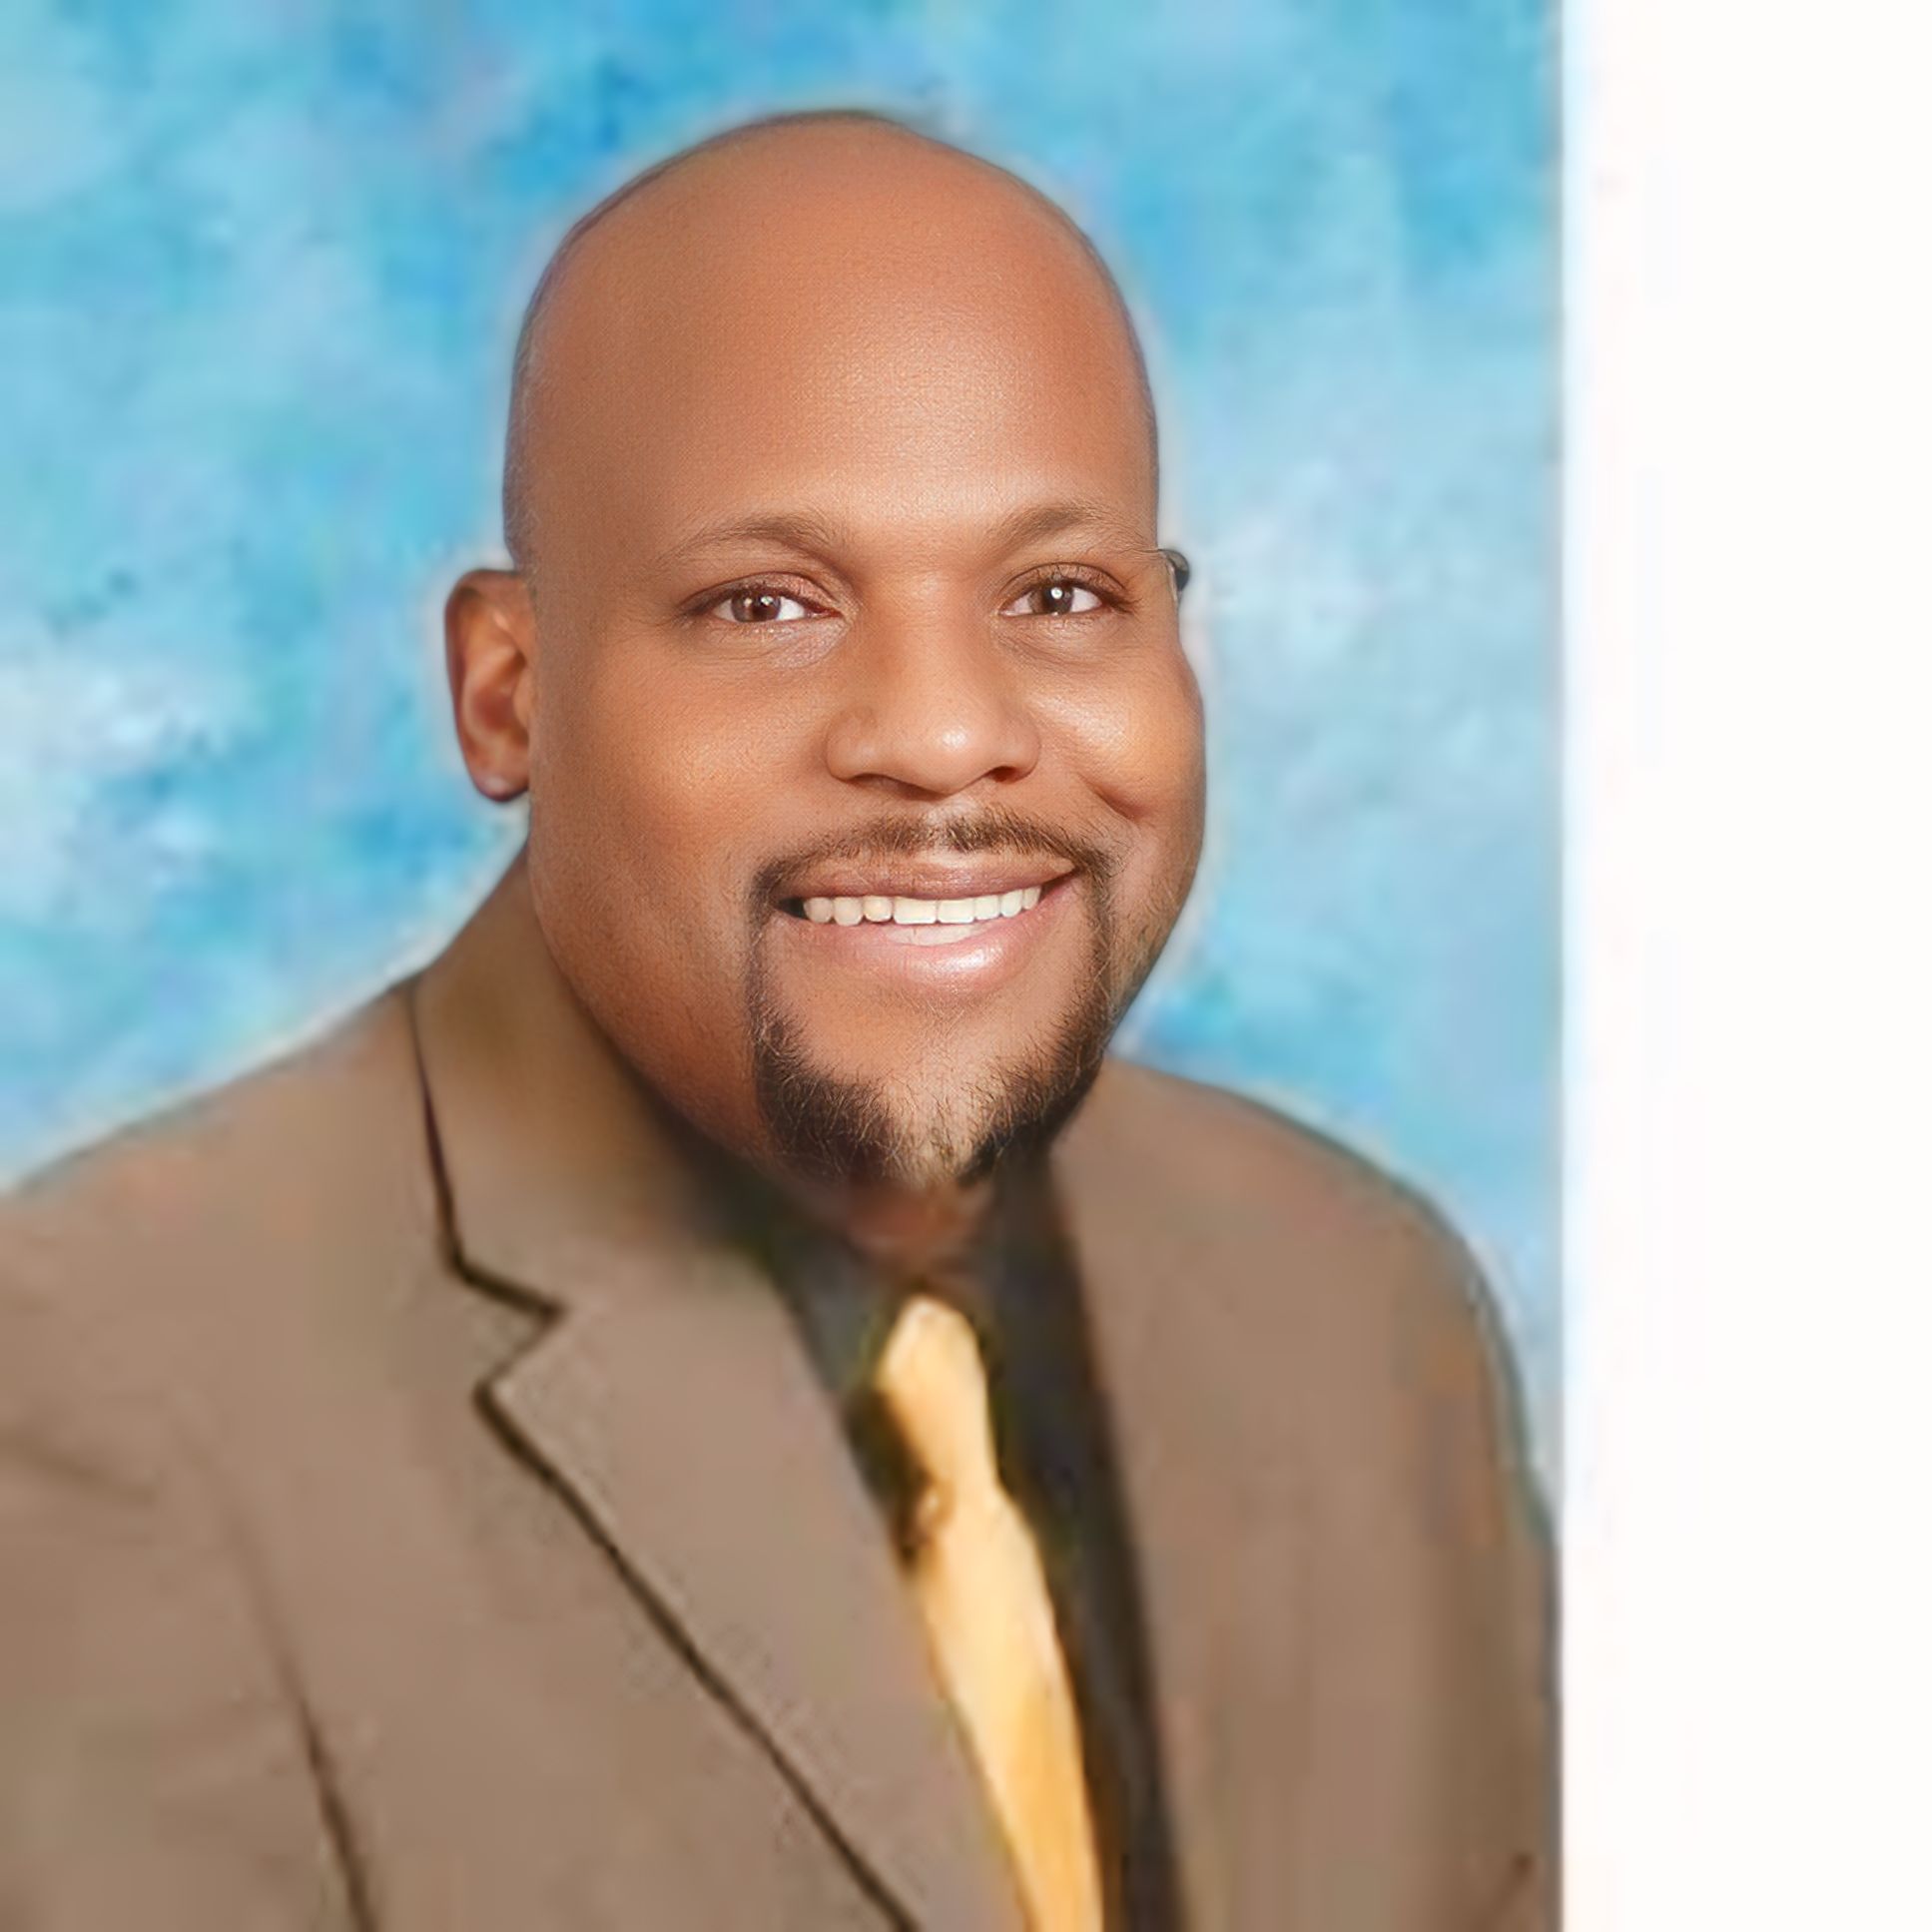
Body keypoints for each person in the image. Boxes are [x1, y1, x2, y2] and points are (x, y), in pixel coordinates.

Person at [0, 110, 1554, 1930]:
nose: (945, 735)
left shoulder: (1368, 1305)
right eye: (768, 606)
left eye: (1061, 597)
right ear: (507, 694)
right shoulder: (104, 1397)